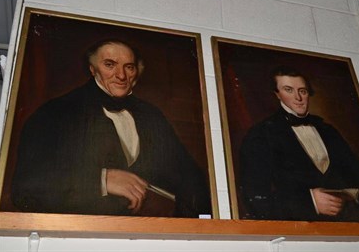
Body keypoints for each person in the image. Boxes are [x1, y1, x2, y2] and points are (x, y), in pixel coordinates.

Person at [11, 39, 211, 218]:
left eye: (129, 67)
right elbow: (26, 188)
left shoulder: (152, 116)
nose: (121, 75)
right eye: (110, 65)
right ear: (93, 69)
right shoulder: (56, 112)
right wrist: (101, 180)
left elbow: (191, 179)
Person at [240, 66, 359, 222]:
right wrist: (310, 202)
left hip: (345, 225)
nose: (298, 98)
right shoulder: (262, 133)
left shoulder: (328, 131)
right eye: (288, 90)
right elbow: (256, 199)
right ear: (277, 94)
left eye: (302, 91)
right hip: (298, 233)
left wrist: (354, 195)